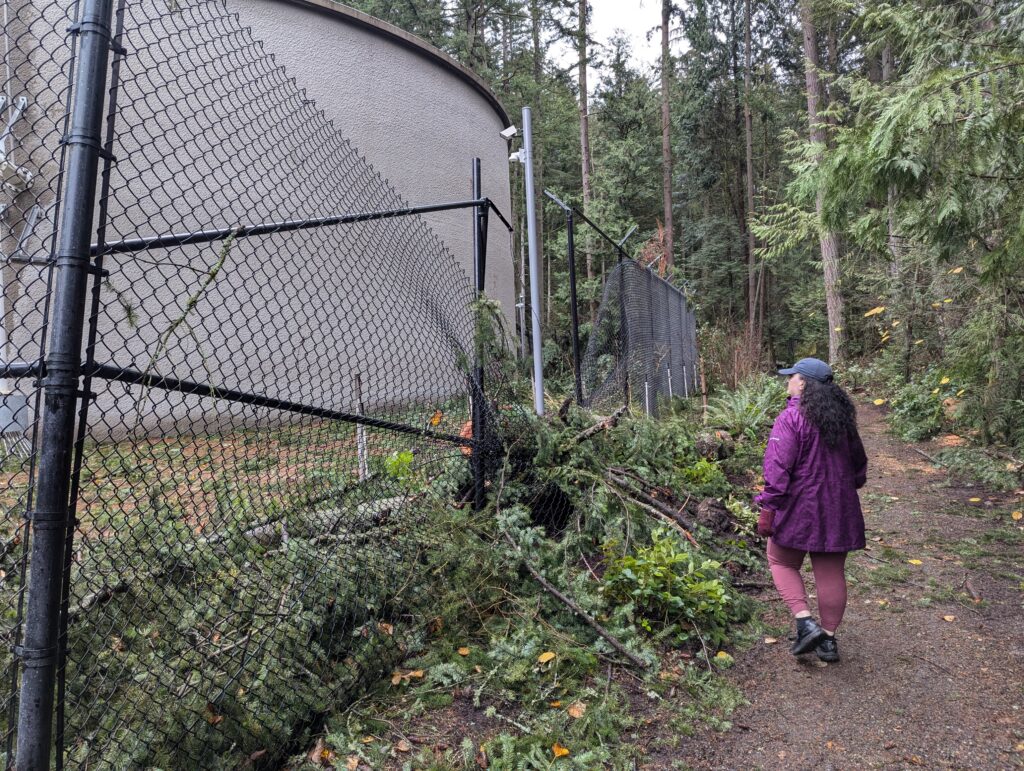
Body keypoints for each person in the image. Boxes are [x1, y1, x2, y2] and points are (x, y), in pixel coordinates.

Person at [755, 358, 867, 662]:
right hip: (839, 508)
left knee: (779, 560)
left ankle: (805, 623)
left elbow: (778, 469)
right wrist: (845, 486)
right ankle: (828, 641)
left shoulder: (790, 419)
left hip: (799, 507)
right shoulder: (843, 420)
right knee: (831, 572)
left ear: (802, 383)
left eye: (791, 376)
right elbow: (859, 466)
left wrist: (768, 507)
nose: (788, 381)